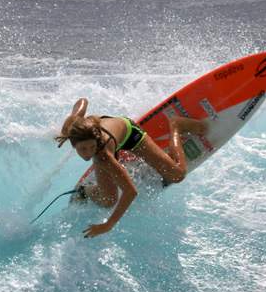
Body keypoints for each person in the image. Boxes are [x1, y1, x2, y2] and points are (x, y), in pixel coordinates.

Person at [55, 98, 207, 238]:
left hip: (128, 134)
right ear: (73, 144)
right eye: (83, 149)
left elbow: (130, 191)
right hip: (100, 136)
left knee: (177, 175)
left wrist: (108, 225)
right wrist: (63, 132)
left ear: (96, 142)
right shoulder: (72, 128)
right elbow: (83, 101)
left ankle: (176, 125)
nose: (88, 153)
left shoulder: (103, 156)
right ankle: (84, 191)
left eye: (91, 147)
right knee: (108, 200)